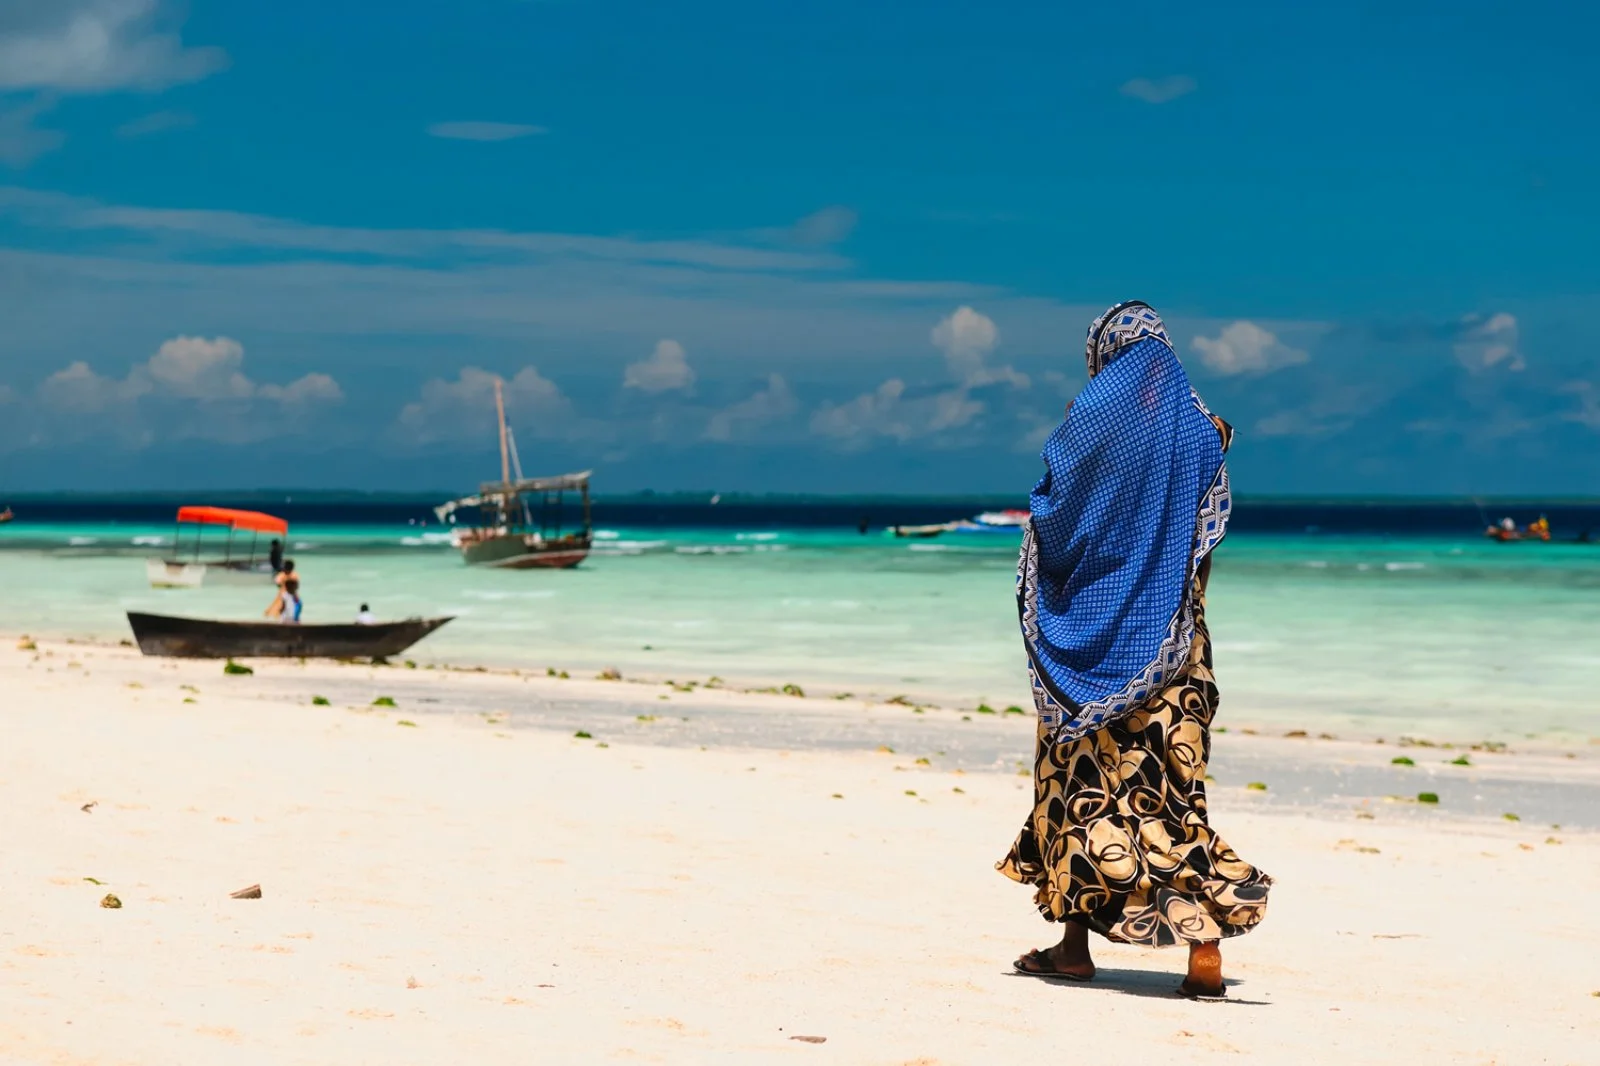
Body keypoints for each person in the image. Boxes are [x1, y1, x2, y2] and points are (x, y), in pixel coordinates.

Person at [997, 301, 1271, 999]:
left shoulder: (1085, 424)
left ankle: (1073, 949)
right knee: (1173, 796)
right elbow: (1201, 542)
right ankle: (1203, 949)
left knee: (1078, 792)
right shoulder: (1206, 431)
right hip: (1176, 651)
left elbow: (1053, 519)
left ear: (1103, 358)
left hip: (1087, 653)